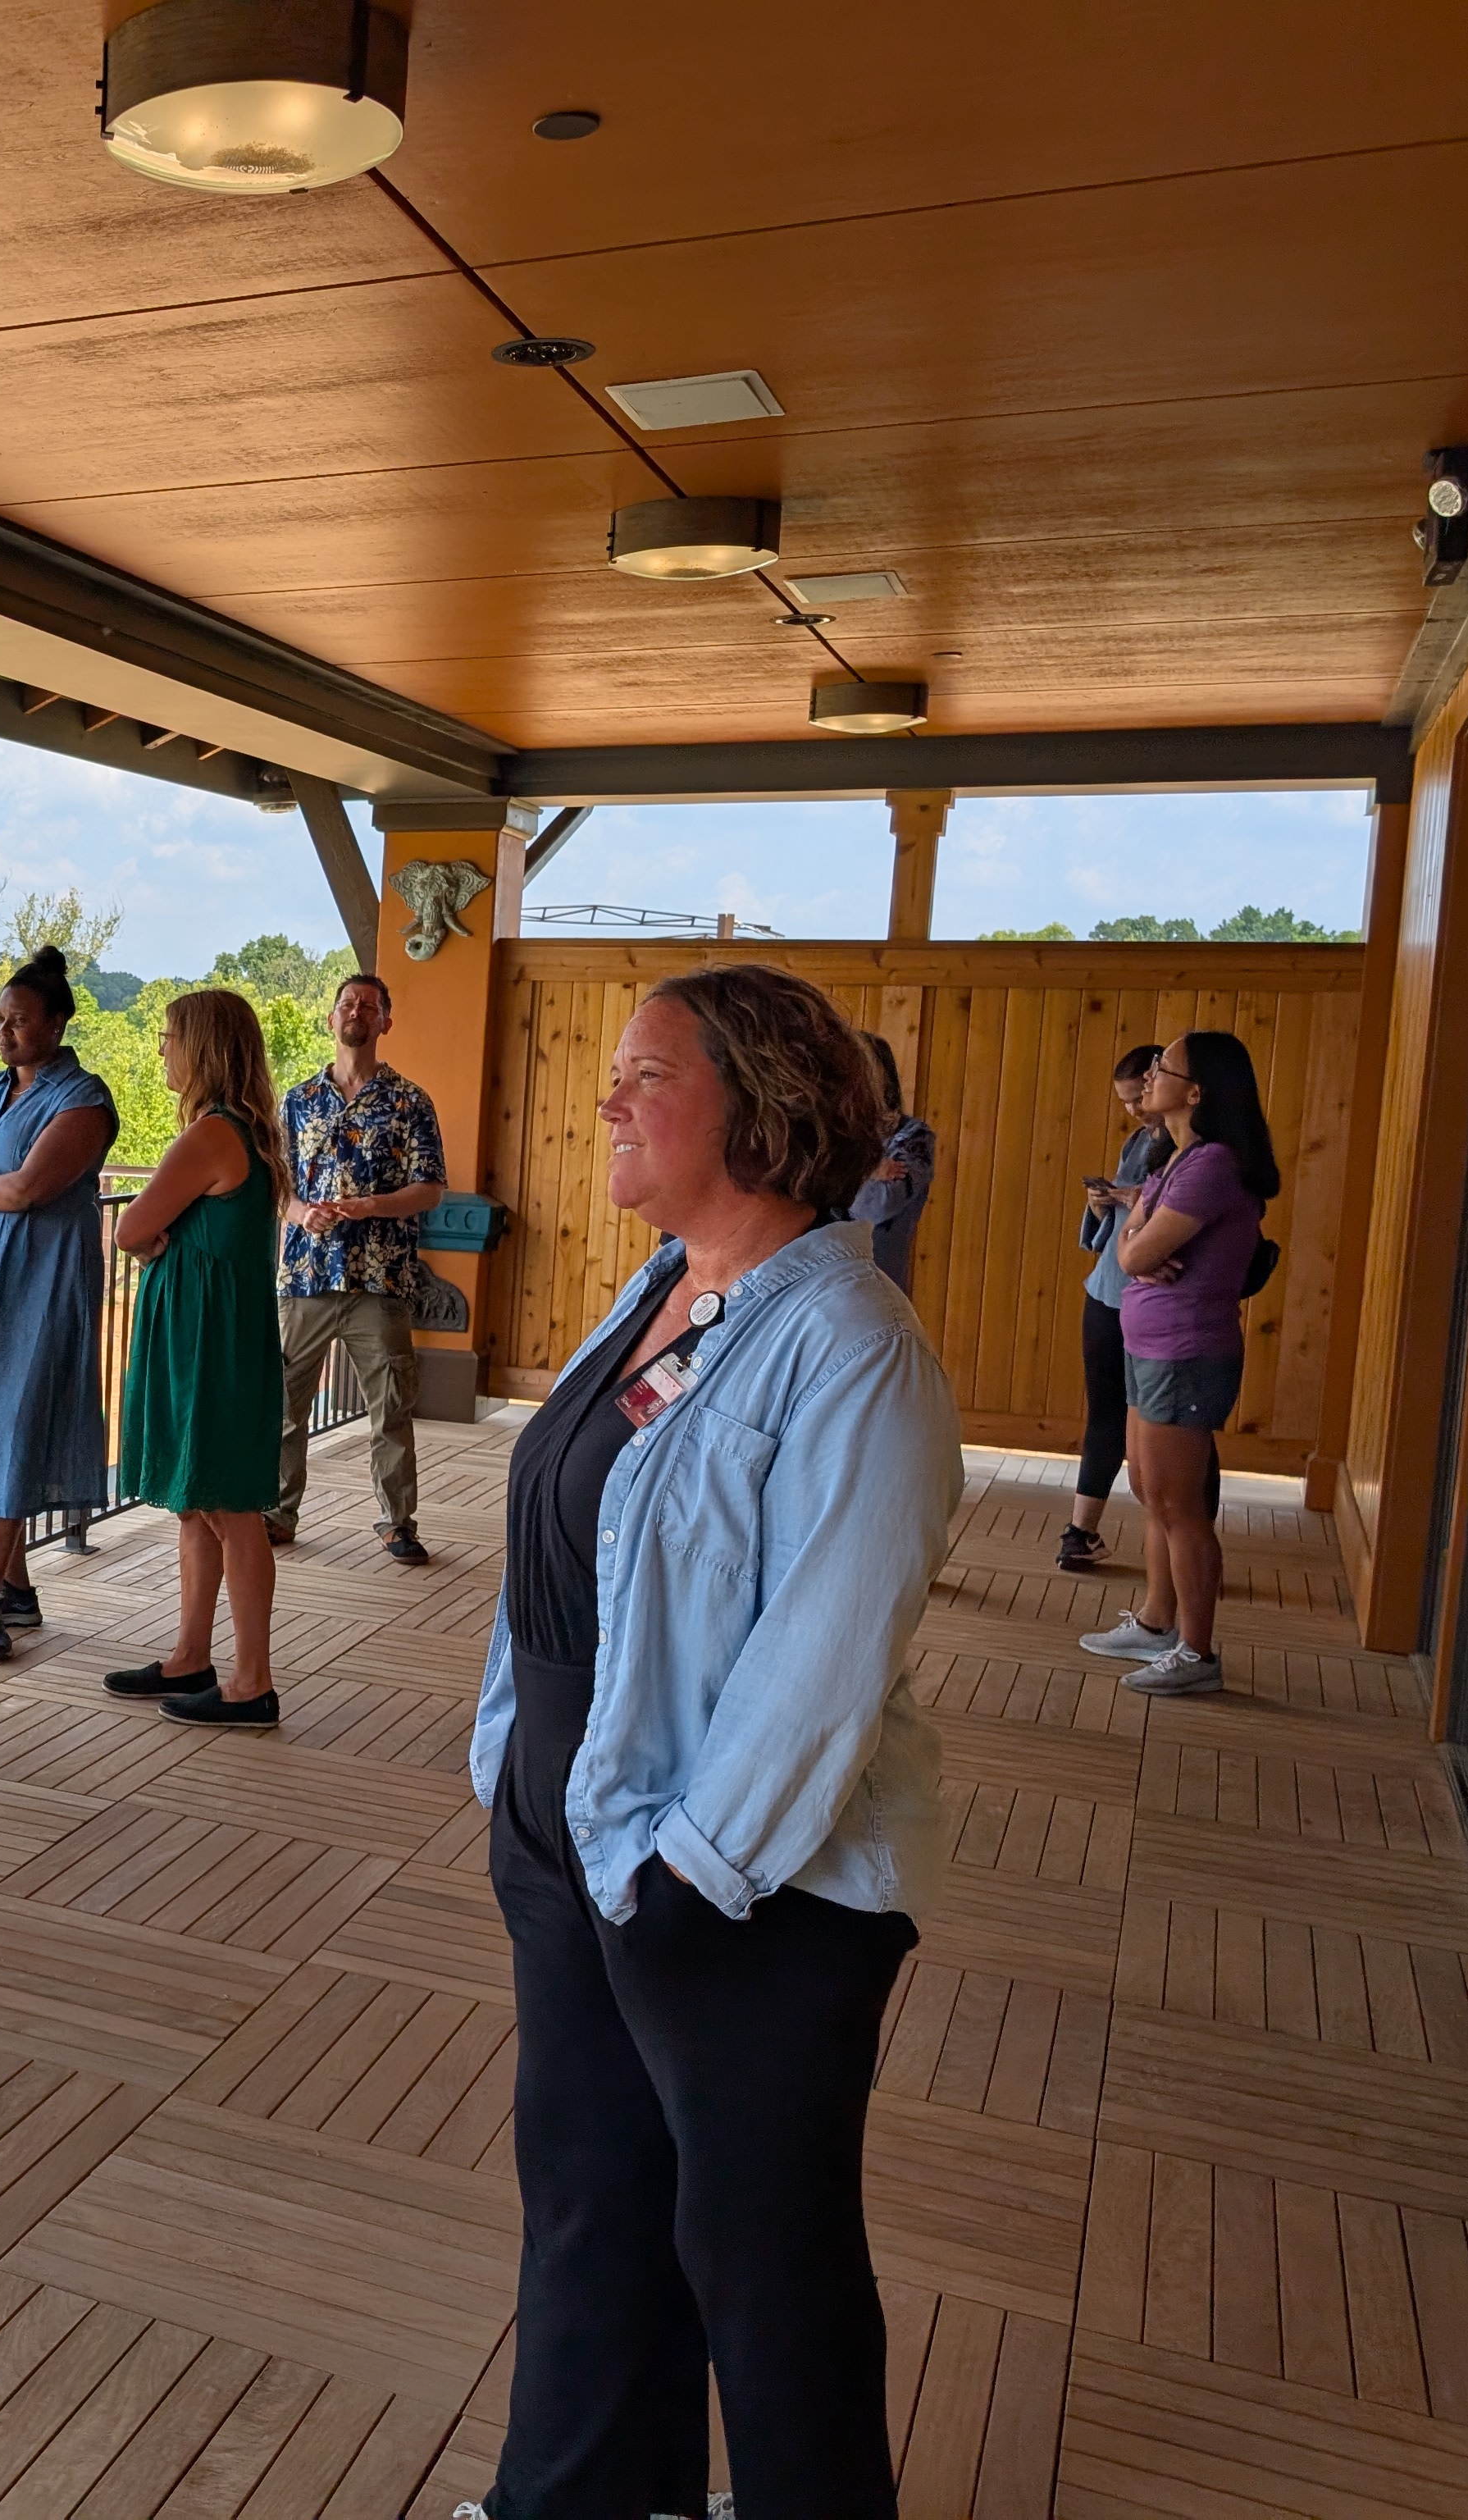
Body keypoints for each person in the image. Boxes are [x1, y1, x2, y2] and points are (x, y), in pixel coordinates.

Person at [472, 964, 959, 2520]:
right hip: (577, 1832)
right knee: (591, 2203)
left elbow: (830, 1646)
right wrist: (514, 1772)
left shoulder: (853, 1342)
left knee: (761, 2261)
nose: (609, 1099)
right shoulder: (665, 1289)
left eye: (648, 1074)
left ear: (761, 1105)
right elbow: (574, 1538)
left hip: (740, 1882)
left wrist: (695, 1873)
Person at [103, 989, 287, 1727]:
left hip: (207, 1341)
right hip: (218, 1333)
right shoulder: (248, 1131)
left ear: (203, 1048)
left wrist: (156, 1243)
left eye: (170, 1036)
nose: (161, 1049)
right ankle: (190, 1656)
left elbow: (130, 1231)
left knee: (229, 1506)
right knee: (198, 1499)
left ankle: (252, 1681)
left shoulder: (212, 1134)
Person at [0, 946, 120, 1662]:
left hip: (43, 1279)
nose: (3, 1031)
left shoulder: (84, 1099)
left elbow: (24, 1190)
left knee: (16, 1416)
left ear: (57, 1024)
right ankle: (14, 1587)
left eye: (18, 1020)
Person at [1081, 1029, 1278, 1698]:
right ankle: (1157, 1621)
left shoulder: (1213, 1164)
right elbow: (1131, 1241)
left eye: (1163, 1067)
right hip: (1150, 1345)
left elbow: (1133, 1252)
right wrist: (1139, 1234)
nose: (1150, 1075)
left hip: (1186, 1351)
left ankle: (1197, 1651)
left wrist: (1139, 1238)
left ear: (1196, 1092)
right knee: (1150, 1490)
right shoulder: (1173, 1159)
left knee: (1179, 1504)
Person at [272, 970, 446, 1565]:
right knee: (285, 1406)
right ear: (332, 1018)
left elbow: (430, 1189)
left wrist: (370, 1206)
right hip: (306, 1277)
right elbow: (276, 1183)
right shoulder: (297, 1101)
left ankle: (397, 1523)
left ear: (384, 1022)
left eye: (369, 1006)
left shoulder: (410, 1101)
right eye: (347, 1003)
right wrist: (300, 1214)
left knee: (390, 1408)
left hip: (380, 1277)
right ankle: (277, 1513)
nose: (356, 1011)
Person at [1062, 1044, 1173, 1571]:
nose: (1134, 1110)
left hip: (1155, 1299)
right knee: (1105, 1412)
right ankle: (1079, 1533)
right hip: (1107, 1289)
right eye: (1125, 1101)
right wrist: (1102, 1205)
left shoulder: (1195, 1150)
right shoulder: (1138, 1141)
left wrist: (1136, 1202)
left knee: (1169, 1428)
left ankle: (1186, 1546)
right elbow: (1110, 1233)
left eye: (1139, 1098)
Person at [848, 1029, 937, 1295]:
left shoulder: (913, 1137)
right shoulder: (827, 1136)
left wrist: (839, 1172)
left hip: (875, 1294)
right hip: (814, 1294)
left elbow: (875, 1206)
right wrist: (865, 1167)